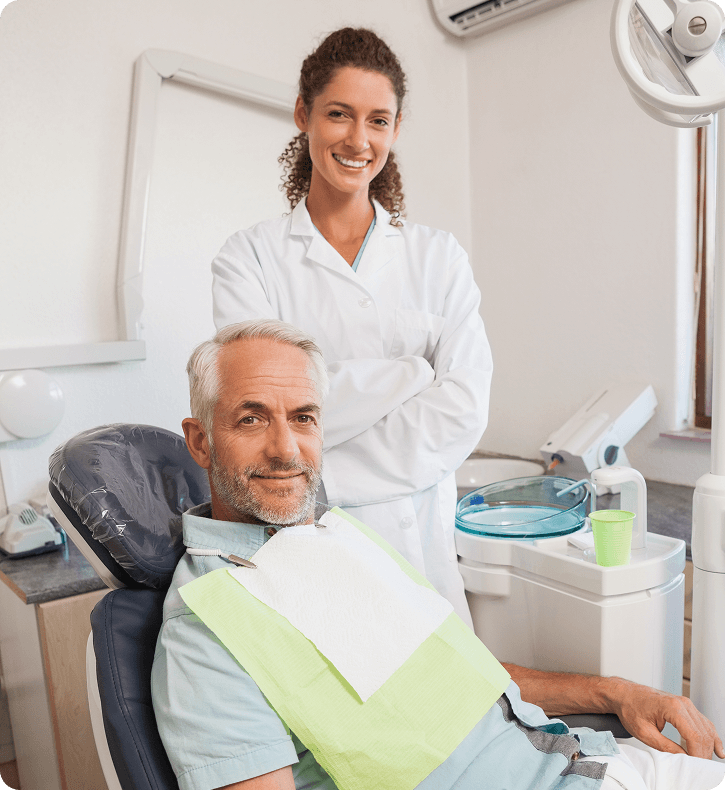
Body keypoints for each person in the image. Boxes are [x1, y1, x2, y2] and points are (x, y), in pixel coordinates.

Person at [151, 319, 725, 790]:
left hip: (591, 762)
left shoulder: (335, 539)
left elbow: (464, 673)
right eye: (251, 419)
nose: (284, 449)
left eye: (303, 418)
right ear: (200, 440)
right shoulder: (204, 627)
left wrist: (617, 692)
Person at [211, 27, 490, 625]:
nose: (359, 139)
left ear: (394, 130)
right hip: (310, 540)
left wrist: (319, 456)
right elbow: (265, 415)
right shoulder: (250, 259)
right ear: (303, 115)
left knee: (447, 704)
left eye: (379, 120)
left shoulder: (438, 258)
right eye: (339, 114)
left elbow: (464, 408)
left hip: (423, 545)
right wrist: (411, 376)